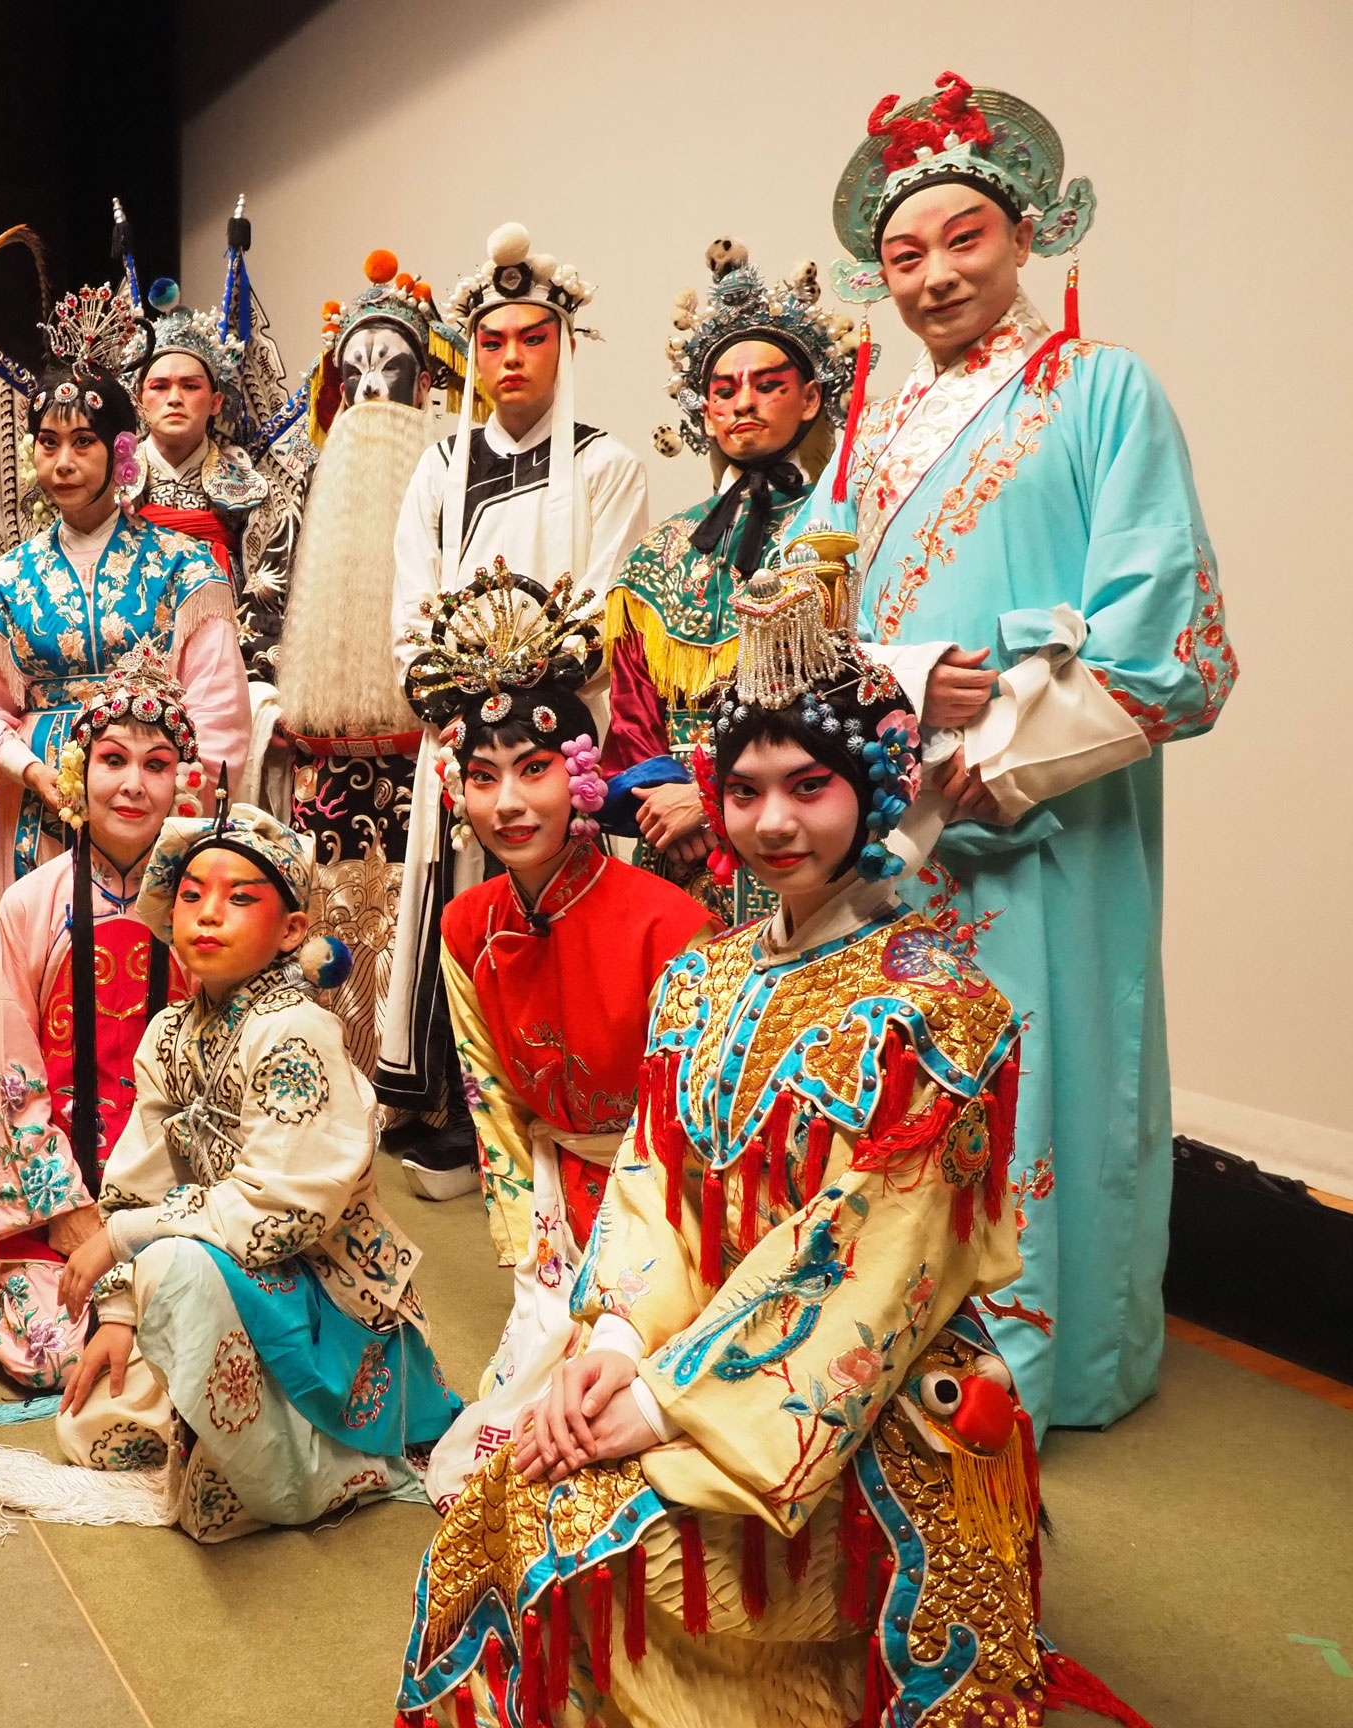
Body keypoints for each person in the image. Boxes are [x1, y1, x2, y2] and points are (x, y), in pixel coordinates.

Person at [393, 567, 1149, 1728]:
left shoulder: (939, 1010)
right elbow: (647, 1186)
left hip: (842, 1396)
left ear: (872, 789)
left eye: (810, 786)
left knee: (590, 1517)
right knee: (493, 1498)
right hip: (677, 1340)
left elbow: (870, 1259)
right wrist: (606, 1338)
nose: (773, 822)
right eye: (743, 792)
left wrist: (663, 1401)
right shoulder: (702, 975)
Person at [808, 71, 1237, 1432]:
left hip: (1048, 808)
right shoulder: (866, 432)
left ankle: (1044, 1361)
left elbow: (1169, 628)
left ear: (1030, 235)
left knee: (1047, 1059)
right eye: (904, 255)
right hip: (899, 812)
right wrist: (894, 698)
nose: (934, 276)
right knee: (899, 1062)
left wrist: (996, 752)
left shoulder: (1105, 390)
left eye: (964, 240)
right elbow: (800, 614)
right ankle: (886, 1335)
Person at [47, 799, 462, 1541]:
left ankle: (305, 1470)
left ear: (292, 931)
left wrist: (128, 1243)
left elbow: (285, 1213)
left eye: (242, 899)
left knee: (170, 1264)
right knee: (93, 1428)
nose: (209, 914)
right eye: (192, 895)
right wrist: (114, 1313)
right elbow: (136, 1179)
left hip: (321, 1288)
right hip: (231, 1268)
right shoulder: (172, 1031)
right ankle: (235, 1435)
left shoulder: (297, 1029)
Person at [399, 562, 712, 1495]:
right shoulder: (467, 926)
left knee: (594, 1444)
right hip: (549, 1199)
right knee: (487, 1468)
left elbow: (686, 1126)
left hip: (659, 1208)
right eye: (484, 777)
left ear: (579, 776)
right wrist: (522, 1244)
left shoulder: (673, 925)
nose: (509, 804)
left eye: (534, 771)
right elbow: (492, 1100)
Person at [380, 223, 650, 1201]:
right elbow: (412, 605)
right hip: (457, 732)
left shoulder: (607, 464)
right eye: (493, 342)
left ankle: (571, 1107)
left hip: (558, 733)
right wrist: (455, 703)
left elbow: (606, 604)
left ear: (563, 344)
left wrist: (528, 704)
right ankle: (461, 1112)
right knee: (460, 907)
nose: (510, 358)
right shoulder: (438, 468)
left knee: (556, 909)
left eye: (531, 338)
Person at [0, 283, 249, 883]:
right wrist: (30, 771)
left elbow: (216, 711)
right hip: (39, 805)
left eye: (84, 443)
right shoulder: (9, 577)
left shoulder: (186, 568)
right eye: (48, 444)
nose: (63, 463)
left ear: (121, 452)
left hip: (155, 801)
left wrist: (178, 807)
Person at [601, 240, 868, 927]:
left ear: (810, 399)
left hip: (809, 843)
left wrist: (717, 797)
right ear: (704, 409)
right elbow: (633, 730)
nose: (743, 402)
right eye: (724, 390)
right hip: (680, 865)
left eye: (768, 385)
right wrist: (672, 803)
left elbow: (870, 703)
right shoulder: (657, 556)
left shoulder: (851, 533)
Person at [248, 248, 461, 1079]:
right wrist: (281, 712)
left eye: (393, 369)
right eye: (356, 373)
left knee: (414, 934)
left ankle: (416, 1087)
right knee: (326, 936)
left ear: (425, 382)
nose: (372, 390)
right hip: (325, 769)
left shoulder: (450, 477)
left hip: (423, 767)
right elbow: (257, 620)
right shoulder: (299, 491)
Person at [0, 646, 206, 1389]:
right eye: (113, 760)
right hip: (62, 1191)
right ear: (80, 773)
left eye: (157, 764)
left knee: (183, 1339)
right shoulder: (29, 904)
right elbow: (12, 1076)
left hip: (181, 1192)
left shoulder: (211, 900)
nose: (133, 785)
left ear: (181, 783)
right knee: (50, 1352)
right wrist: (68, 1214)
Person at [119, 197, 311, 679]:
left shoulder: (252, 485)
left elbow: (268, 592)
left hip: (226, 659)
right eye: (159, 386)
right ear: (140, 400)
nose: (175, 398)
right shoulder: (111, 483)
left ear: (217, 401)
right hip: (124, 657)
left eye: (191, 386)